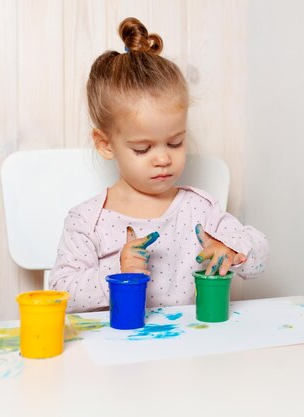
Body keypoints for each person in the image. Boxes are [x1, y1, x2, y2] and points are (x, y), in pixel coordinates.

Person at [49, 17, 268, 313]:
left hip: (190, 350)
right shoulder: (88, 221)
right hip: (117, 352)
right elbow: (62, 292)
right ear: (106, 144)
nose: (164, 158)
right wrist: (119, 273)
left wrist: (231, 250)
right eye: (143, 148)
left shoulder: (199, 210)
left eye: (175, 143)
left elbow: (260, 254)